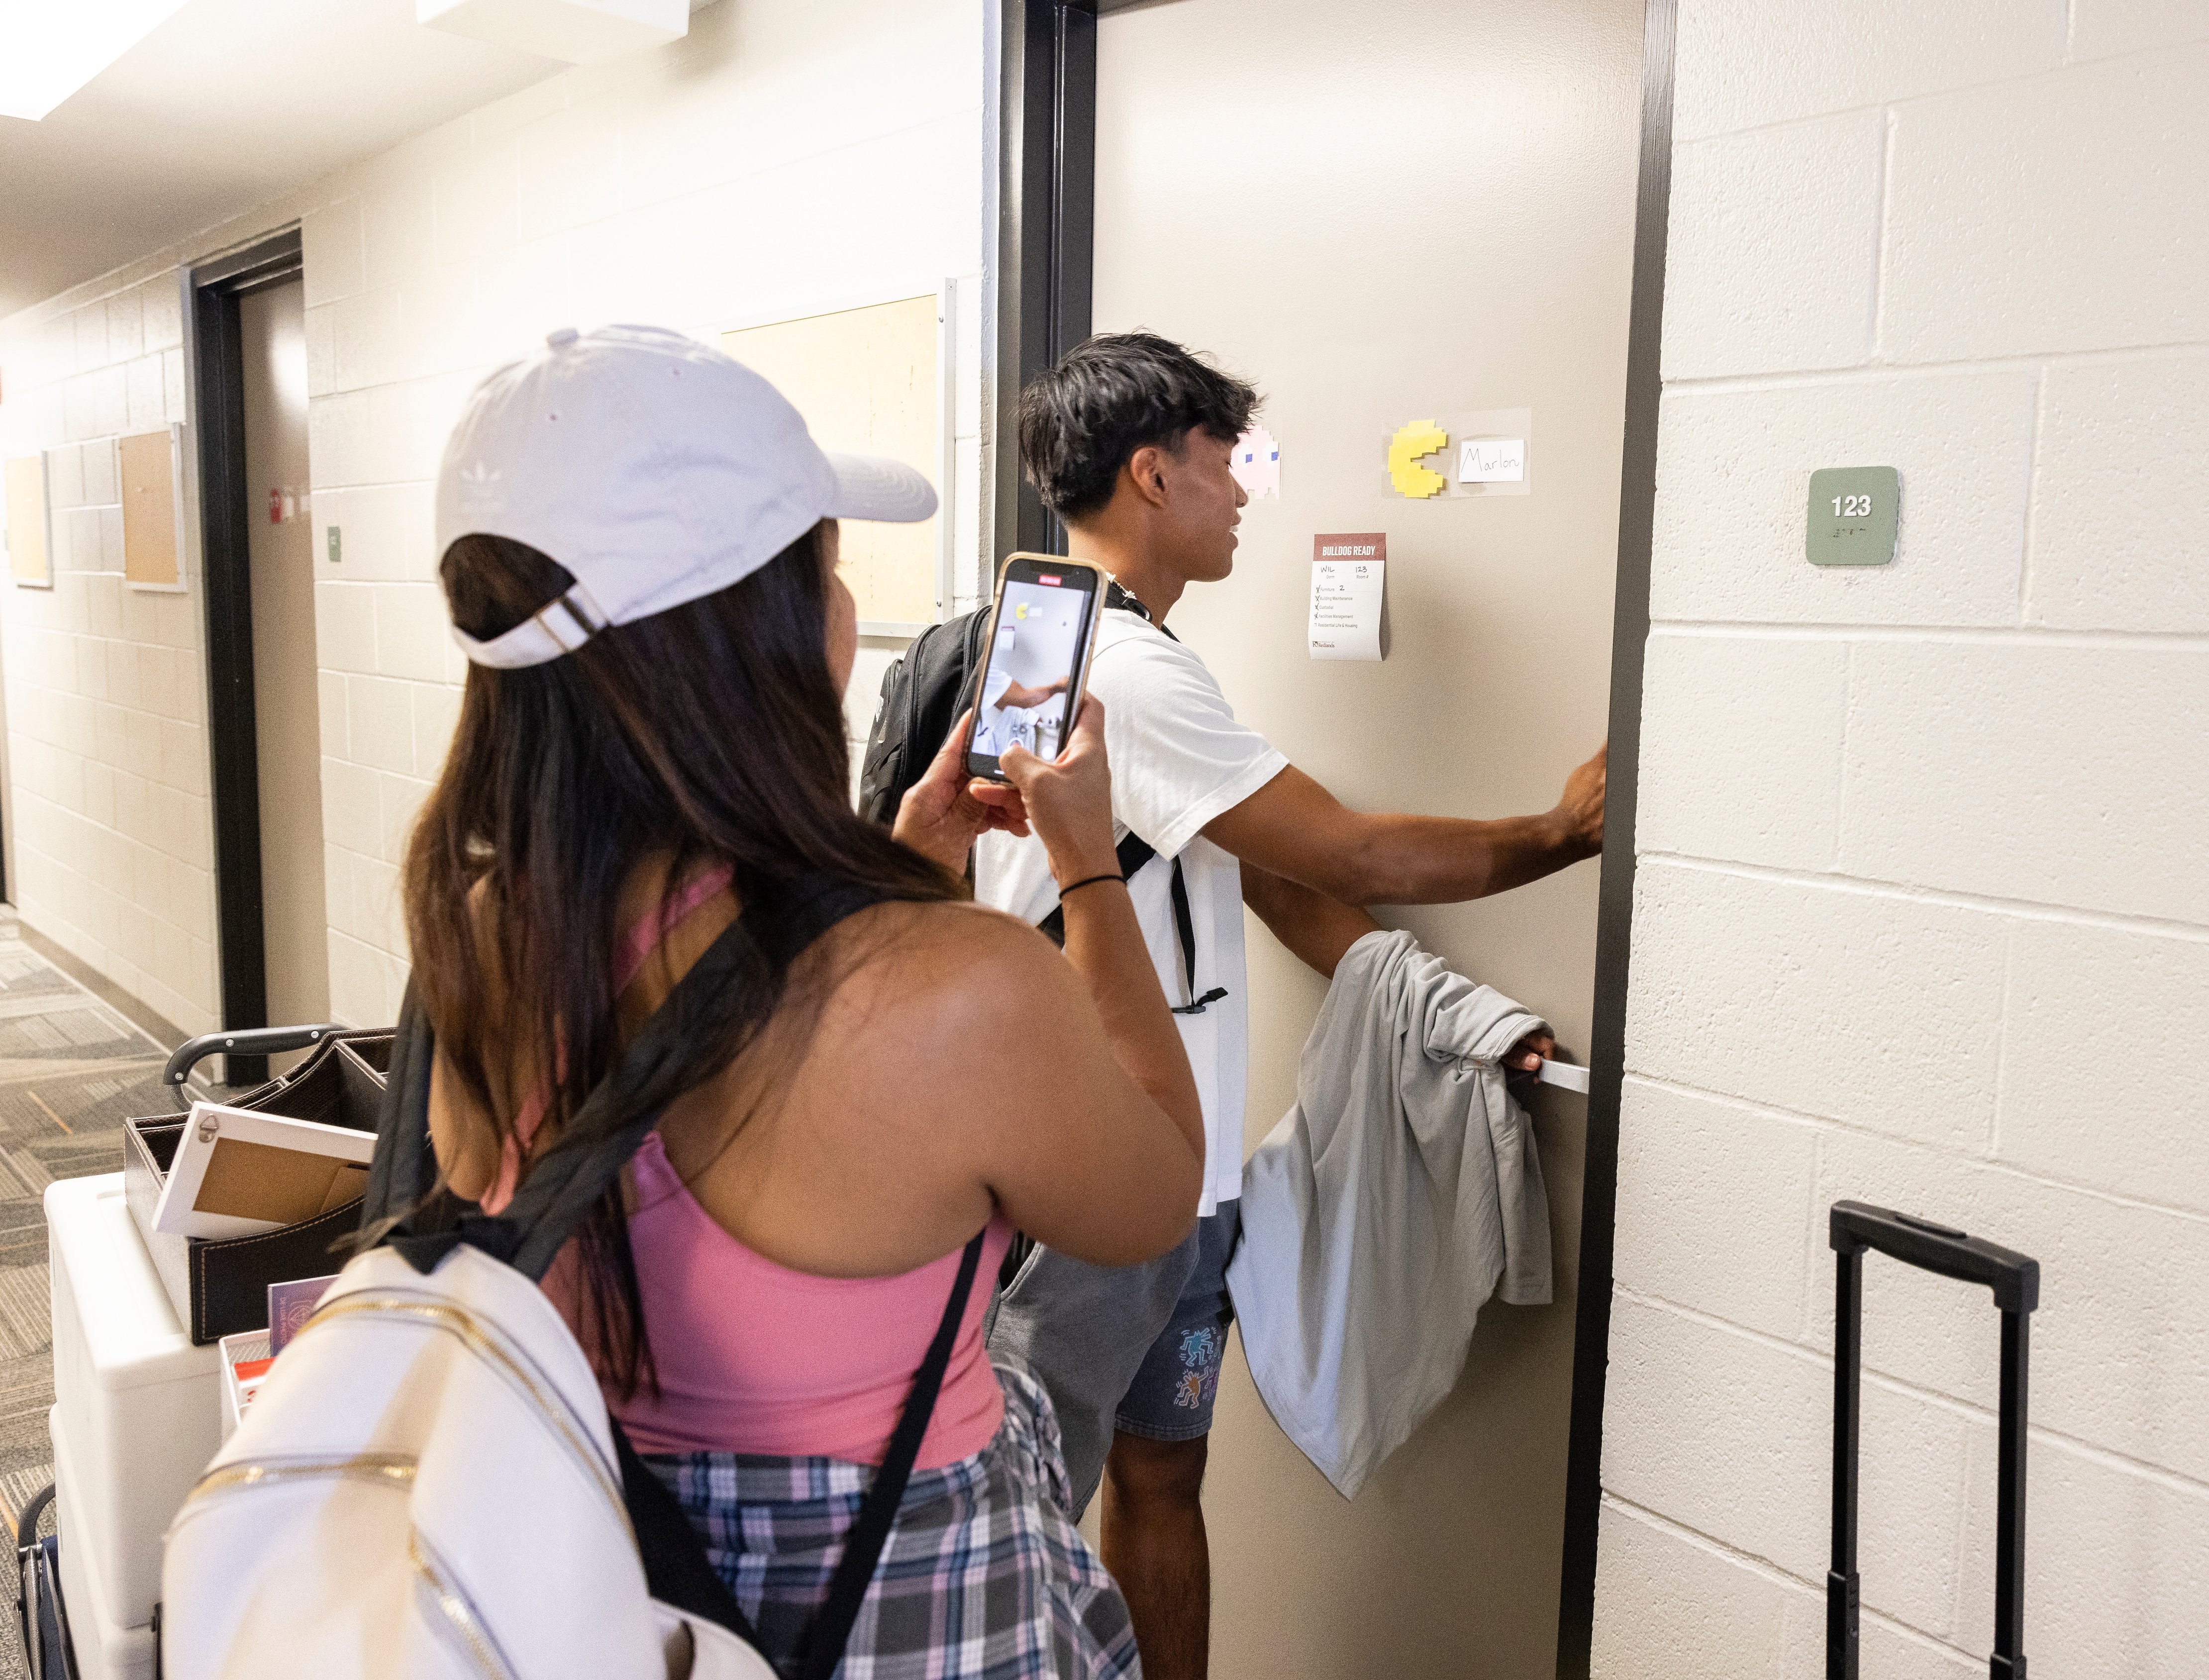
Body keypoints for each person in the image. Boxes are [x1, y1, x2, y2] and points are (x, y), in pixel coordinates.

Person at [406, 324, 1207, 1680]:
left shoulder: (482, 934)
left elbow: (716, 1007)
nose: (845, 612)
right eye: (829, 573)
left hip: (611, 1585)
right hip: (905, 1619)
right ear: (758, 636)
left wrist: (904, 858)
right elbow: (1154, 1188)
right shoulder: (954, 990)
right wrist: (1085, 862)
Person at [976, 332, 1605, 1680]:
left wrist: (1455, 1012)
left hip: (1183, 1185)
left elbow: (1270, 880)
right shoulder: (1126, 675)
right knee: (1023, 1516)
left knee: (1163, 1480)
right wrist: (1563, 830)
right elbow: (1355, 853)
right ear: (1154, 471)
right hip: (1088, 1195)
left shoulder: (1124, 658)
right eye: (1229, 459)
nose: (1246, 489)